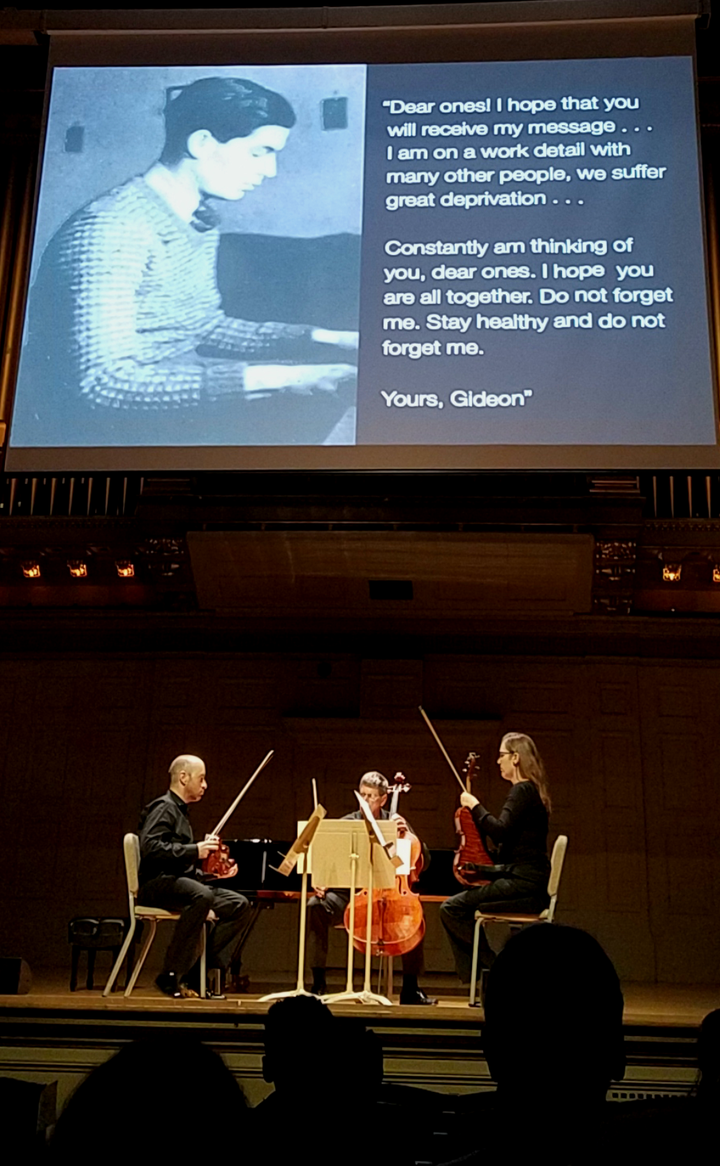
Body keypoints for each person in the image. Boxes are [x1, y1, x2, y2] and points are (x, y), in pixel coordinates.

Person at [18, 75, 357, 444]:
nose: (270, 171)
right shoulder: (112, 227)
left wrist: (327, 339)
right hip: (98, 433)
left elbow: (202, 326)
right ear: (202, 143)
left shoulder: (194, 218)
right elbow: (102, 383)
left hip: (162, 405)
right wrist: (285, 380)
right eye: (260, 152)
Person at [308, 771, 436, 1006]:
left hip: (390, 892)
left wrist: (406, 834)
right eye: (363, 795)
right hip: (349, 895)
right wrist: (322, 878)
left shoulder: (397, 823)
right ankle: (318, 983)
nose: (365, 801)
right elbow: (327, 859)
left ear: (383, 800)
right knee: (314, 906)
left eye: (371, 797)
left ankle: (410, 988)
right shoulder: (348, 823)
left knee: (412, 917)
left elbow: (423, 861)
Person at [439, 732, 551, 983]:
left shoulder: (522, 790)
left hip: (524, 885)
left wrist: (475, 805)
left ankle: (497, 970)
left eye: (501, 756)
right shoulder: (530, 791)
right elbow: (508, 843)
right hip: (527, 881)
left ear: (515, 758)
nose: (497, 761)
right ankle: (490, 975)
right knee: (458, 908)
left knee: (452, 908)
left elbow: (501, 831)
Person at [137, 753, 252, 998]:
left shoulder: (181, 813)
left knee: (239, 904)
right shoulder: (164, 808)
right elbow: (150, 848)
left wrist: (213, 875)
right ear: (183, 777)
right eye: (201, 779)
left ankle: (196, 973)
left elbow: (182, 867)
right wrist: (195, 850)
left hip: (176, 883)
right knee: (200, 895)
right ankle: (169, 973)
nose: (205, 785)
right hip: (156, 884)